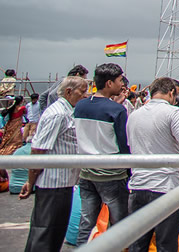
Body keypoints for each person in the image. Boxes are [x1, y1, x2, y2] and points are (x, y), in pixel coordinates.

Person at [126, 77, 179, 252]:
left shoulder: (134, 114)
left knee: (137, 245)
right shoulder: (173, 112)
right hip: (165, 187)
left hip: (137, 187)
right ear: (171, 93)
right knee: (166, 244)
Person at [20, 76, 88, 252]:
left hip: (63, 183)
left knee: (54, 233)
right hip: (53, 184)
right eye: (82, 91)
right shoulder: (57, 114)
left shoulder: (66, 112)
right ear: (68, 92)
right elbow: (38, 150)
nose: (85, 95)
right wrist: (31, 181)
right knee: (45, 234)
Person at [74, 63, 130, 245]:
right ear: (108, 83)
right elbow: (123, 144)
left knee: (87, 222)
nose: (122, 85)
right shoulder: (117, 110)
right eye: (119, 80)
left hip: (86, 172)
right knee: (118, 223)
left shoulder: (81, 106)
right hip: (111, 174)